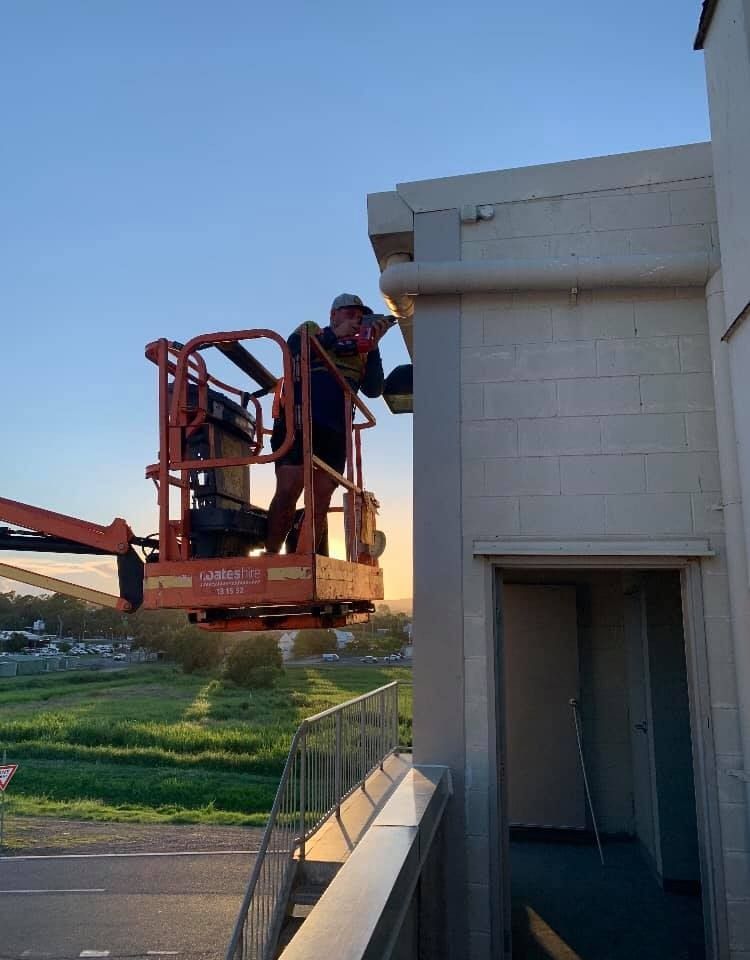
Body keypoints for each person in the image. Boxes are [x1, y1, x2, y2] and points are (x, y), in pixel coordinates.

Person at [265, 293, 392, 554]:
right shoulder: (311, 329)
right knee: (288, 489)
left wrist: (373, 346)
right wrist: (335, 336)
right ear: (333, 315)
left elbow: (374, 389)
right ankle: (271, 554)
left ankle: (305, 560)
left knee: (321, 501)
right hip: (299, 424)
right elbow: (294, 349)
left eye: (361, 316)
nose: (356, 319)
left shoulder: (362, 355)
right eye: (349, 313)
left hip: (336, 434)